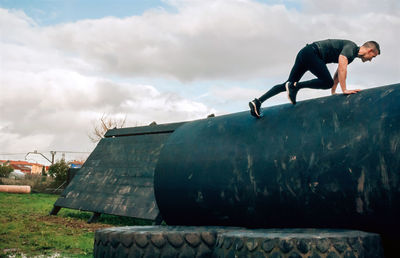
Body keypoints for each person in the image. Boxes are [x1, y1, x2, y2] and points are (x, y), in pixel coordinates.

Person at [249, 39, 380, 118]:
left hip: (306, 53)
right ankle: (294, 87)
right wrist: (344, 89)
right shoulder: (351, 48)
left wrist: (334, 91)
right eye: (372, 57)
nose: (370, 60)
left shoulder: (350, 55)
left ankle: (258, 102)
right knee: (325, 82)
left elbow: (337, 74)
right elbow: (342, 68)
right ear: (369, 51)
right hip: (312, 53)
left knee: (287, 84)